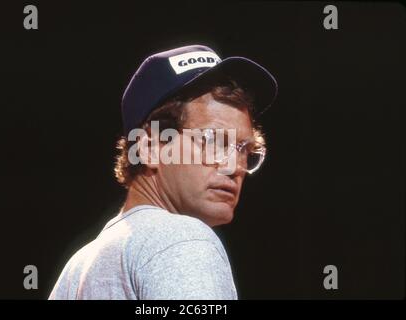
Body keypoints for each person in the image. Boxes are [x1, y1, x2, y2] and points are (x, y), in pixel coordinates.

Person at [49, 44, 278, 300]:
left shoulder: (76, 270)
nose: (235, 166)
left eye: (245, 150)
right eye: (213, 141)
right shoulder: (183, 239)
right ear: (150, 148)